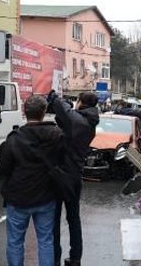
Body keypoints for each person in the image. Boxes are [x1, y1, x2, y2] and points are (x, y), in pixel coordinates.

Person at [0, 95, 65, 266]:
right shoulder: (57, 136)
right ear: (44, 112)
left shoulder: (14, 138)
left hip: (18, 196)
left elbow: (5, 168)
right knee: (46, 240)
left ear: (24, 112)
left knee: (15, 241)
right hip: (46, 195)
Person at [50, 92, 99, 266]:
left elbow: (63, 109)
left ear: (81, 103)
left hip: (62, 174)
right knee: (73, 218)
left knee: (54, 219)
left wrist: (56, 97)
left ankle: (55, 257)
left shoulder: (79, 121)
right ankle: (75, 257)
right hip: (75, 175)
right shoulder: (89, 122)